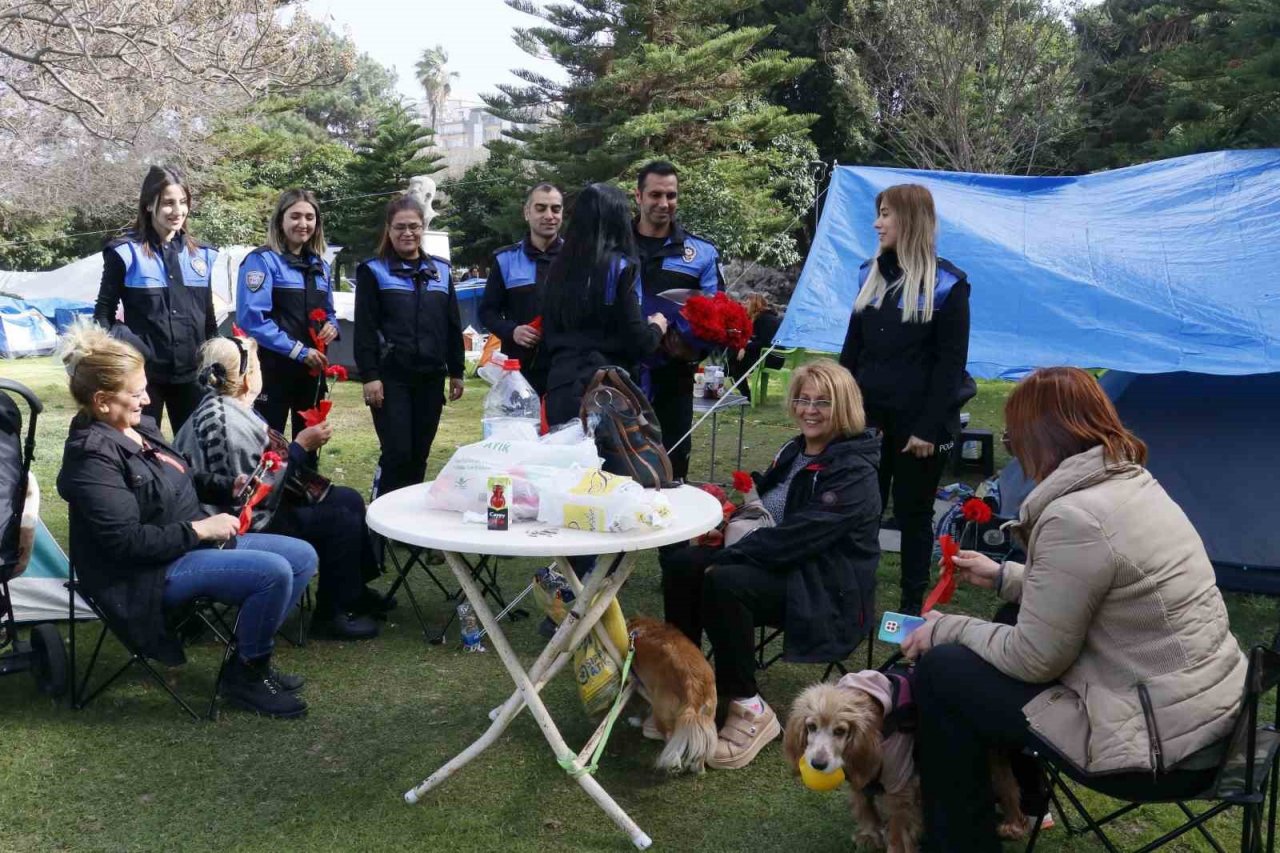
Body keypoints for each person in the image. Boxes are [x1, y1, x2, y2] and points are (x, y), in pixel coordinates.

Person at [901, 367, 1248, 852]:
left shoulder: (1075, 516)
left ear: (1038, 439)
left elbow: (1034, 659)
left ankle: (960, 840)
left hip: (1159, 751)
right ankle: (1024, 796)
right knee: (1000, 627)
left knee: (943, 672)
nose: (1014, 450)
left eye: (1012, 436)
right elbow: (1111, 591)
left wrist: (948, 629)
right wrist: (1004, 577)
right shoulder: (1132, 485)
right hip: (1212, 723)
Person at [55, 322, 317, 719]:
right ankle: (247, 676)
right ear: (102, 400)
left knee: (301, 557)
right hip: (142, 574)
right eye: (137, 392)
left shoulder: (136, 426)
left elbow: (179, 472)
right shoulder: (91, 456)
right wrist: (199, 529)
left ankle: (246, 662)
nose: (147, 398)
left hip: (186, 546)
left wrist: (229, 485)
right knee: (274, 572)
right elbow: (126, 542)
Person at [659, 359, 881, 770]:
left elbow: (801, 537)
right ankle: (688, 689)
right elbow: (770, 509)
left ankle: (749, 709)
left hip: (824, 587)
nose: (809, 409)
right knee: (683, 563)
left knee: (726, 581)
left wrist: (731, 553)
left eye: (822, 402)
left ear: (845, 406)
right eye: (802, 398)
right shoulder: (797, 449)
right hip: (786, 565)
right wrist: (726, 522)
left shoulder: (854, 471)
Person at [174, 336, 385, 639]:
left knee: (348, 499)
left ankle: (352, 592)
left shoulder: (225, 406)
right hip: (241, 524)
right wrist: (300, 447)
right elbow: (253, 491)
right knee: (340, 517)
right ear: (247, 378)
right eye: (258, 366)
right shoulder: (225, 423)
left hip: (247, 509)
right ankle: (331, 615)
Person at [838, 184, 972, 615]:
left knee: (914, 518)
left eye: (886, 214)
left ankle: (912, 608)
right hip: (868, 420)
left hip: (918, 428)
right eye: (878, 214)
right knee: (860, 511)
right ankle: (852, 600)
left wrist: (929, 428)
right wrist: (842, 411)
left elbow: (951, 367)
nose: (877, 223)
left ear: (910, 219)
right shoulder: (868, 274)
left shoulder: (949, 285)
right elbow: (852, 351)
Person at [94, 165, 219, 435]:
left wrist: (216, 360)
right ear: (150, 205)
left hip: (192, 376)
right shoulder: (125, 252)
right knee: (143, 452)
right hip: (143, 378)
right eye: (168, 203)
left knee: (196, 455)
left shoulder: (203, 256)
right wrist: (127, 350)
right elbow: (103, 313)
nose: (177, 211)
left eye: (183, 202)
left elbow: (208, 317)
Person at [354, 196, 464, 498]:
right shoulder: (373, 271)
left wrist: (457, 371)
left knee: (419, 454)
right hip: (391, 378)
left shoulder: (440, 271)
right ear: (388, 230)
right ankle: (380, 520)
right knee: (397, 452)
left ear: (423, 228)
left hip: (430, 376)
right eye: (400, 227)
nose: (407, 233)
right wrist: (370, 375)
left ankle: (409, 525)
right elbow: (364, 329)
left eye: (414, 226)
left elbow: (452, 324)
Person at [541, 182, 668, 427]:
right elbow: (639, 342)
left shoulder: (558, 267)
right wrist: (657, 327)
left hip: (561, 387)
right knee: (605, 466)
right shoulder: (620, 268)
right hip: (604, 393)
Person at [632, 160, 725, 482]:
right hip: (618, 376)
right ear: (638, 197)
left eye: (671, 195)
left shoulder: (700, 253)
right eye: (655, 194)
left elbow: (719, 317)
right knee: (615, 474)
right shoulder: (613, 247)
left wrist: (693, 351)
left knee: (671, 475)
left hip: (674, 381)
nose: (663, 203)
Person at [236, 189, 339, 450]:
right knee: (269, 450)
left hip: (311, 375)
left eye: (309, 217)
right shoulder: (262, 261)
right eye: (295, 216)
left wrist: (332, 327)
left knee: (309, 450)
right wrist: (299, 351)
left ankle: (305, 492)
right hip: (272, 372)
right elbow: (252, 320)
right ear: (280, 220)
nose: (303, 224)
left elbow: (329, 312)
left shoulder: (320, 266)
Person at [478, 183, 564, 395]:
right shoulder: (506, 259)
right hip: (520, 373)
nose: (549, 215)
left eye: (556, 208)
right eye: (541, 208)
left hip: (565, 370)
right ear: (527, 213)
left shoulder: (577, 259)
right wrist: (512, 331)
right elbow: (487, 312)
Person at [728, 292, 785, 398]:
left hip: (774, 357)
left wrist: (745, 347)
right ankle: (728, 373)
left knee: (736, 361)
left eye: (747, 302)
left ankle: (746, 395)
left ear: (754, 304)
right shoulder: (759, 318)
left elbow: (766, 342)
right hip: (766, 353)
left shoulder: (765, 319)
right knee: (734, 354)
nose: (744, 304)